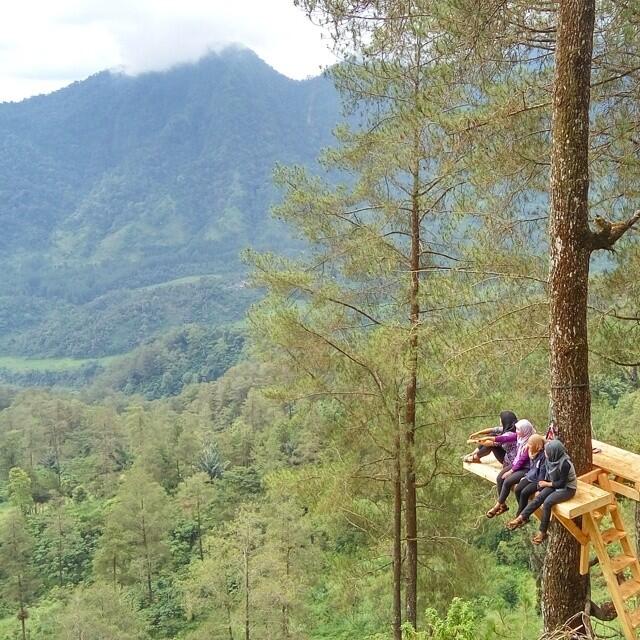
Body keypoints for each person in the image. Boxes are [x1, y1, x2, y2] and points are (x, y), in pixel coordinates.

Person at [505, 439, 577, 544]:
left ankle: (542, 532)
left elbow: (561, 483)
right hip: (552, 483)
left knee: (547, 503)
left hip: (567, 488)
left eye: (547, 452)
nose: (545, 453)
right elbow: (547, 476)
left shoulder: (565, 464)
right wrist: (541, 489)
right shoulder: (550, 460)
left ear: (554, 452)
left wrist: (546, 485)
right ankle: (521, 517)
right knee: (538, 498)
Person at [485, 419, 536, 518]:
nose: (516, 431)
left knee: (508, 481)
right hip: (516, 463)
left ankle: (498, 505)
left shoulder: (530, 442)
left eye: (518, 429)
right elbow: (505, 438)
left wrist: (511, 471)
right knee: (500, 478)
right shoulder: (520, 437)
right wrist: (490, 438)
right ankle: (502, 504)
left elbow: (522, 460)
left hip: (526, 467)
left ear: (525, 430)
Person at [511, 434, 546, 518]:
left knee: (524, 493)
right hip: (530, 475)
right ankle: (522, 511)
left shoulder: (543, 455)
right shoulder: (531, 451)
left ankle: (520, 516)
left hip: (538, 479)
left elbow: (542, 472)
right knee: (517, 489)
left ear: (536, 445)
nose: (529, 446)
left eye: (530, 444)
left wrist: (540, 488)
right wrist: (526, 476)